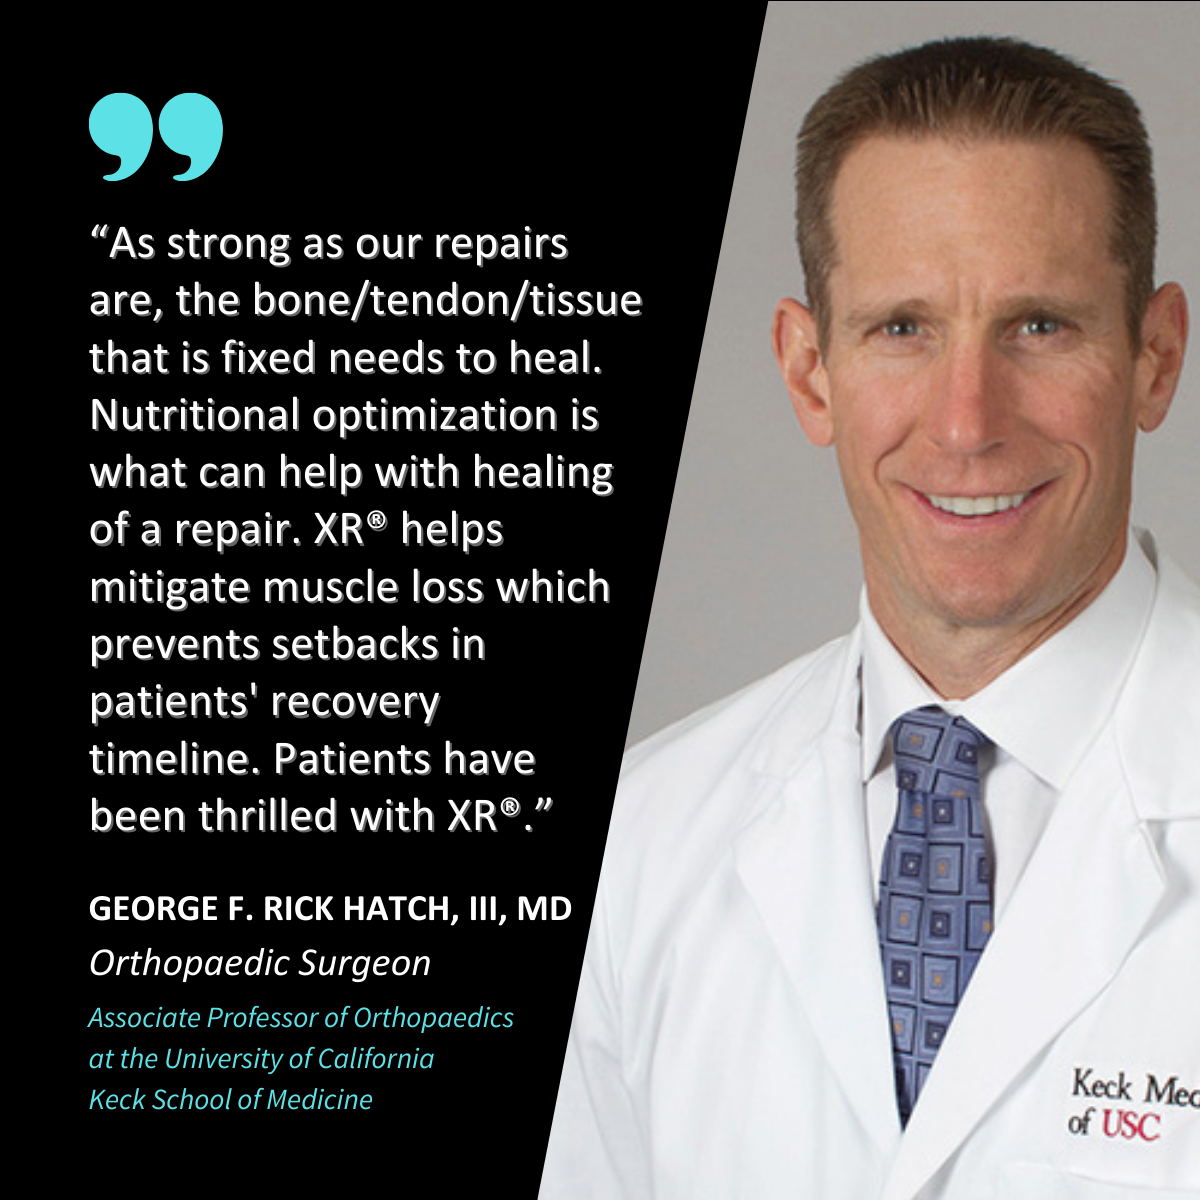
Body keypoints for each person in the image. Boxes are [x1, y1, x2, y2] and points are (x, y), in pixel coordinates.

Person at [539, 36, 1198, 1200]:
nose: (966, 423)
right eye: (902, 327)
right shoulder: (641, 838)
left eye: (1039, 325)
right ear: (809, 372)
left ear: (1155, 359)